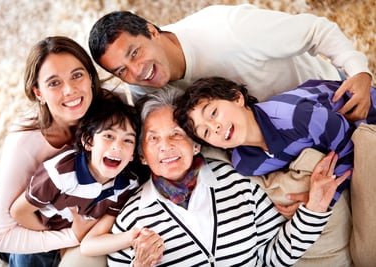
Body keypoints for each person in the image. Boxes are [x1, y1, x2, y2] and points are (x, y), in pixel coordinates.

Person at [91, 88, 348, 266]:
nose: (165, 146)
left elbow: (274, 257)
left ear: (196, 144)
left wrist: (314, 210)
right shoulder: (131, 218)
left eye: (176, 134)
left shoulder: (240, 183)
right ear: (143, 156)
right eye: (153, 138)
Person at [0, 36, 148, 267]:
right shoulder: (23, 143)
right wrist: (68, 237)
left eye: (77, 75)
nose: (70, 90)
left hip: (80, 206)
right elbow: (0, 236)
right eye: (54, 83)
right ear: (39, 93)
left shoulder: (113, 105)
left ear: (91, 77)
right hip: (38, 222)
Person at [88, 4, 373, 122]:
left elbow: (315, 30)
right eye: (121, 70)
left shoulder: (228, 29)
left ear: (152, 31)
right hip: (267, 137)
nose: (137, 72)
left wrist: (358, 71)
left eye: (135, 53)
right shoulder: (143, 91)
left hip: (328, 98)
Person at [175, 77, 376, 206]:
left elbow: (349, 146)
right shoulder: (246, 165)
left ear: (237, 98)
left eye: (213, 113)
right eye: (206, 132)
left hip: (366, 115)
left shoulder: (296, 117)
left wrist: (323, 200)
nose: (215, 127)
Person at [8, 90, 152, 266]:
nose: (118, 147)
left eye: (128, 141)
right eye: (108, 136)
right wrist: (57, 238)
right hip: (41, 236)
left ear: (132, 155)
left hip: (73, 243)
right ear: (88, 141)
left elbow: (100, 231)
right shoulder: (59, 173)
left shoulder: (128, 184)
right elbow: (19, 212)